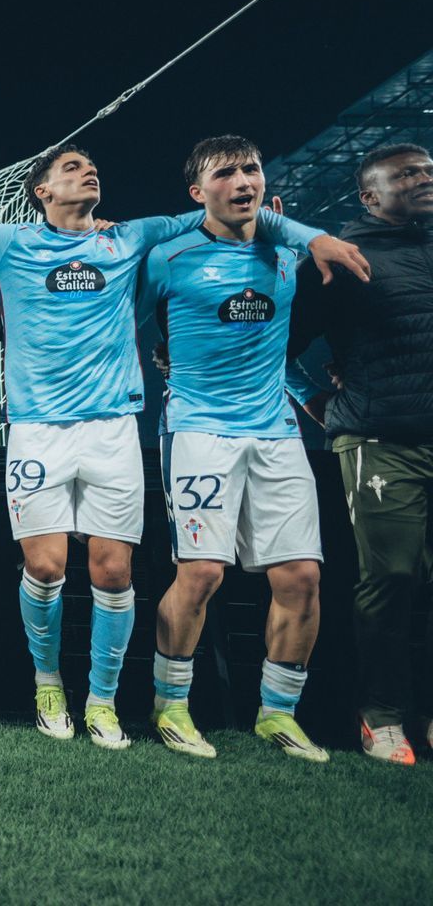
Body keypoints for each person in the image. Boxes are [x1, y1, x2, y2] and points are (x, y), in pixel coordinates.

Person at [0, 145, 364, 748]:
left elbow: (229, 214)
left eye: (91, 166)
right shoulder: (6, 243)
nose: (87, 171)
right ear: (40, 191)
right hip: (37, 428)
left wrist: (315, 237)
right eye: (70, 168)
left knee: (114, 570)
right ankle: (48, 686)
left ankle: (102, 699)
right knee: (43, 567)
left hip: (115, 427)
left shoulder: (132, 238)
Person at [142, 136, 328, 762]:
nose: (242, 179)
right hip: (198, 431)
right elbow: (128, 325)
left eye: (250, 169)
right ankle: (171, 704)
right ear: (198, 194)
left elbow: (292, 335)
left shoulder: (288, 254)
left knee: (301, 577)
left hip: (276, 431)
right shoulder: (169, 257)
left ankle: (278, 714)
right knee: (201, 573)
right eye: (225, 172)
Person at [290, 141, 433, 765]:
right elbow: (277, 343)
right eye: (408, 173)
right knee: (392, 579)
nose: (425, 178)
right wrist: (316, 398)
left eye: (428, 169)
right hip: (380, 440)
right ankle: (383, 715)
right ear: (370, 196)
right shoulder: (341, 260)